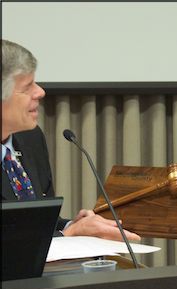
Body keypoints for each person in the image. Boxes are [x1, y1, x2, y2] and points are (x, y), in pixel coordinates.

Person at [1, 39, 140, 241]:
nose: (40, 92)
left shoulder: (30, 138)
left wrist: (73, 225)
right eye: (27, 86)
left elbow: (34, 221)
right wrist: (68, 235)